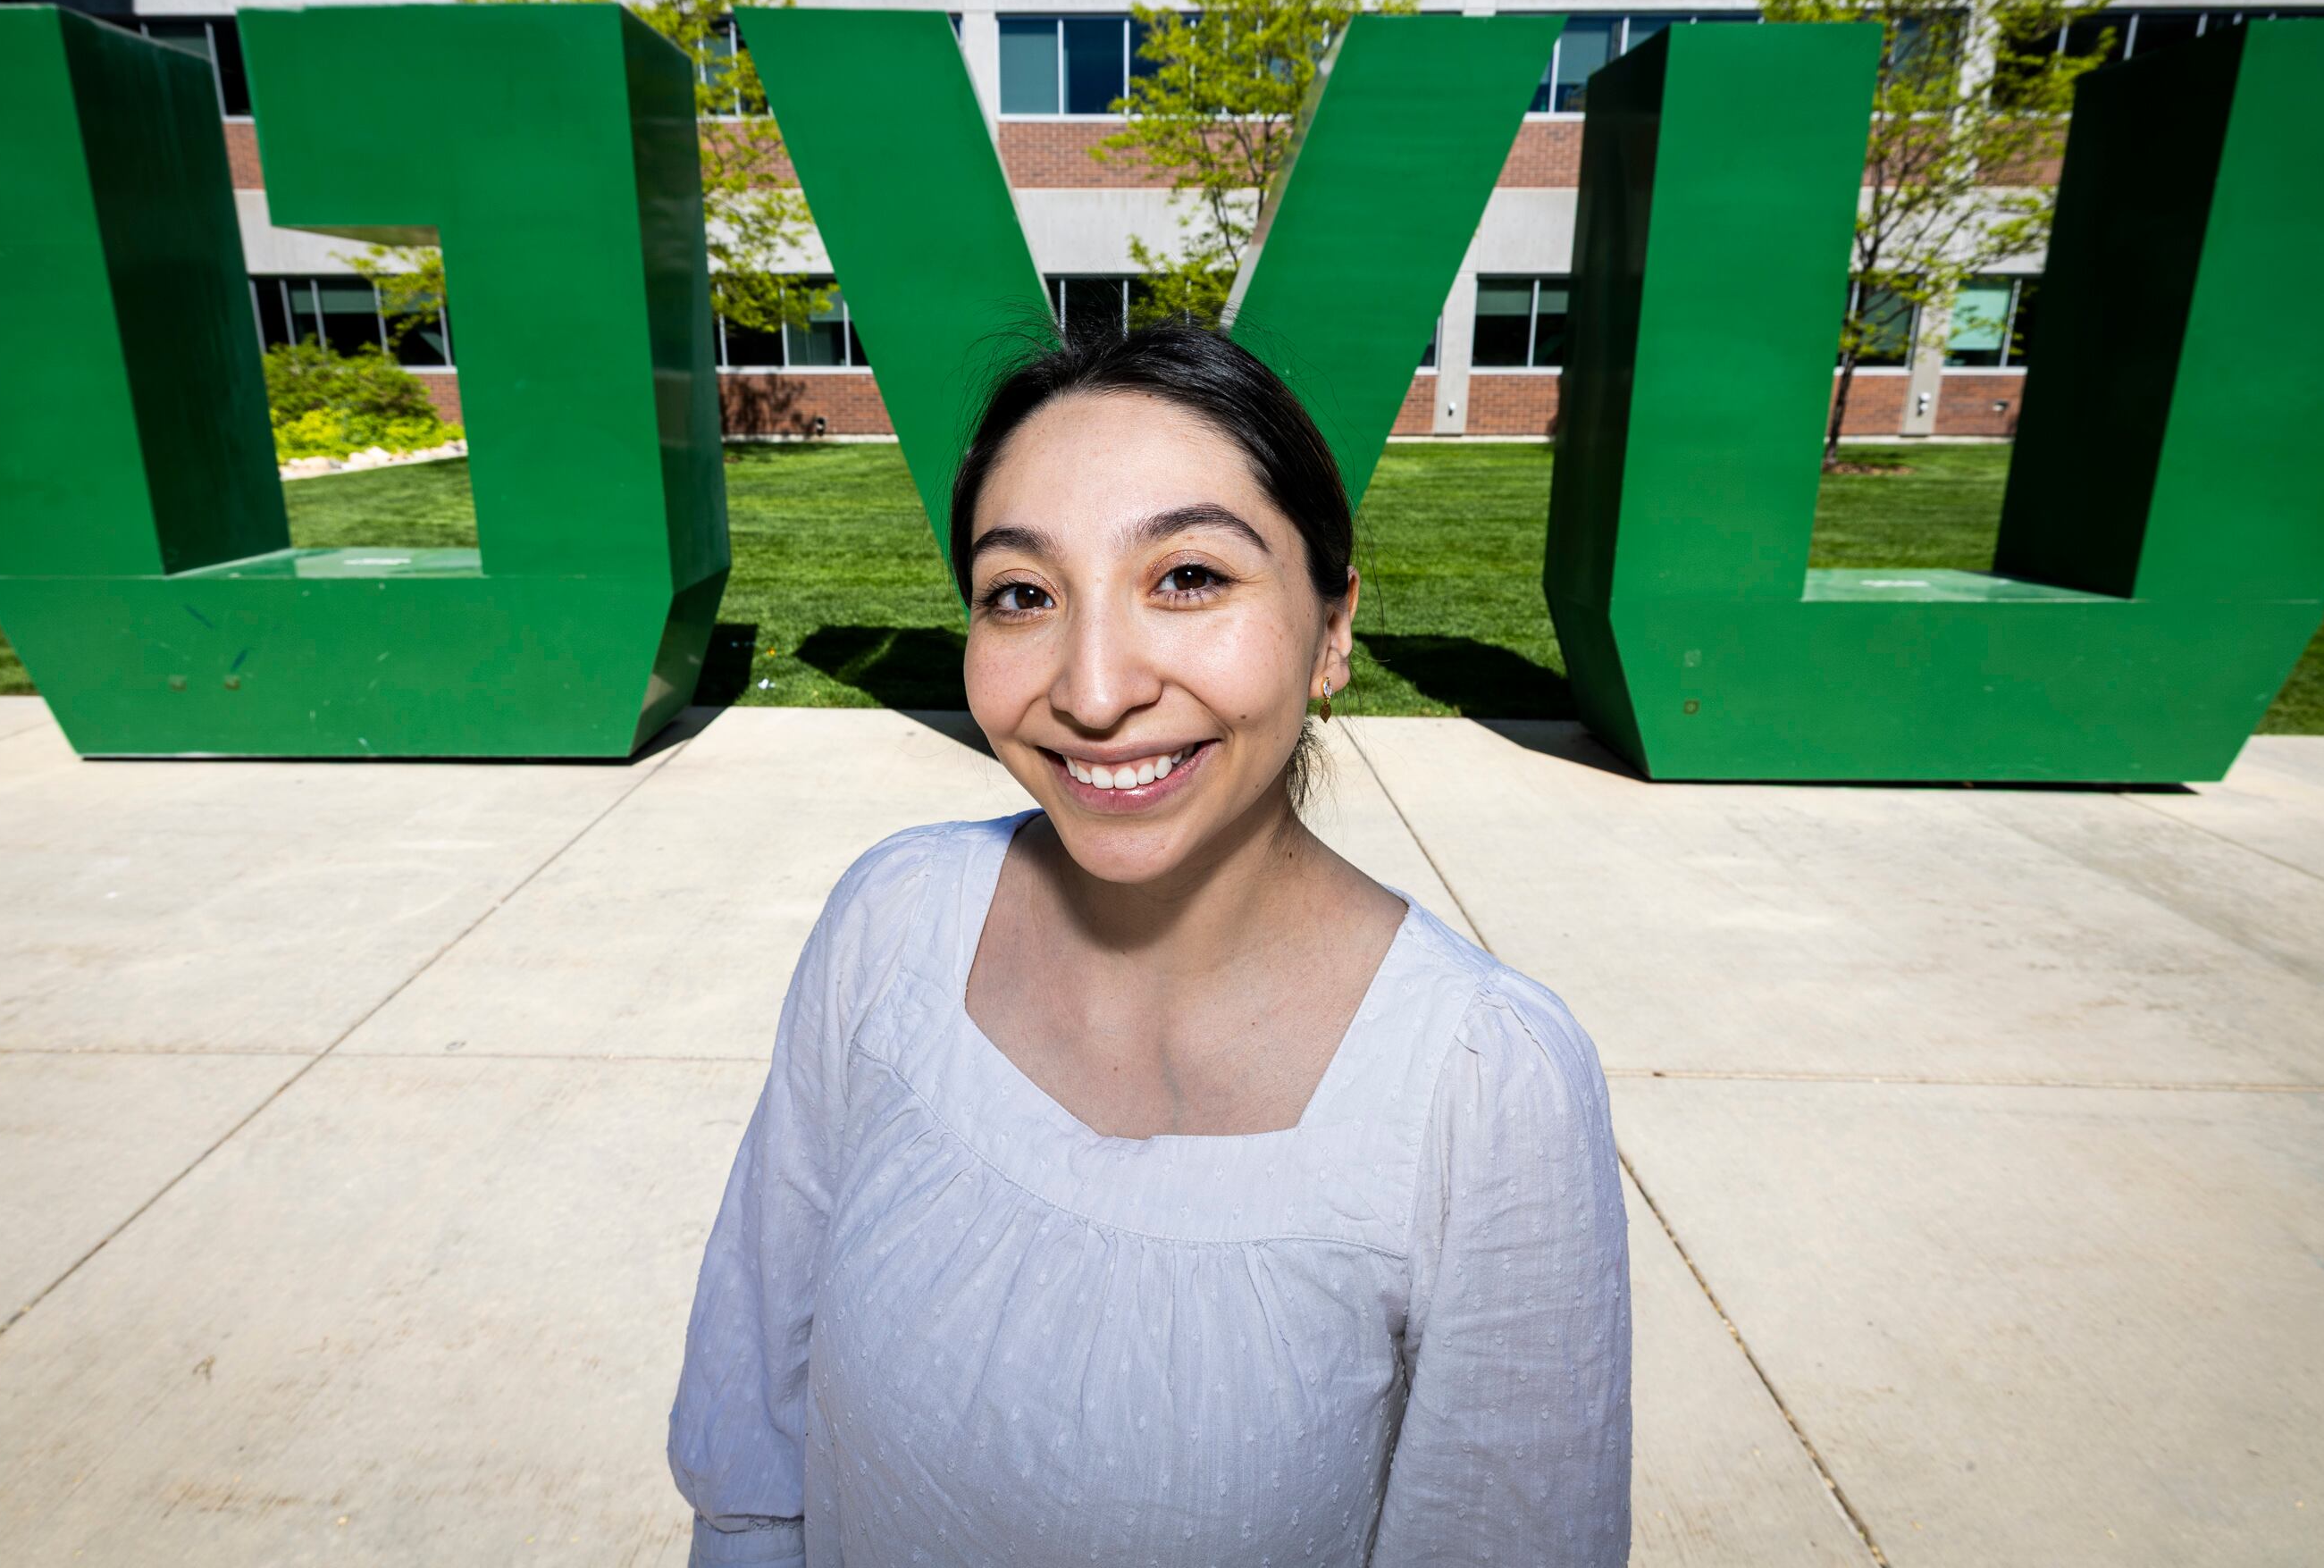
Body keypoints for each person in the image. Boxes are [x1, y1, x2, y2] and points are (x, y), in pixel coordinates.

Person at [667, 323, 1632, 1566]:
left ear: (1333, 626)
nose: (1094, 687)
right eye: (1023, 594)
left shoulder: (1485, 1084)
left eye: (1187, 578)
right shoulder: (892, 926)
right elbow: (753, 1448)